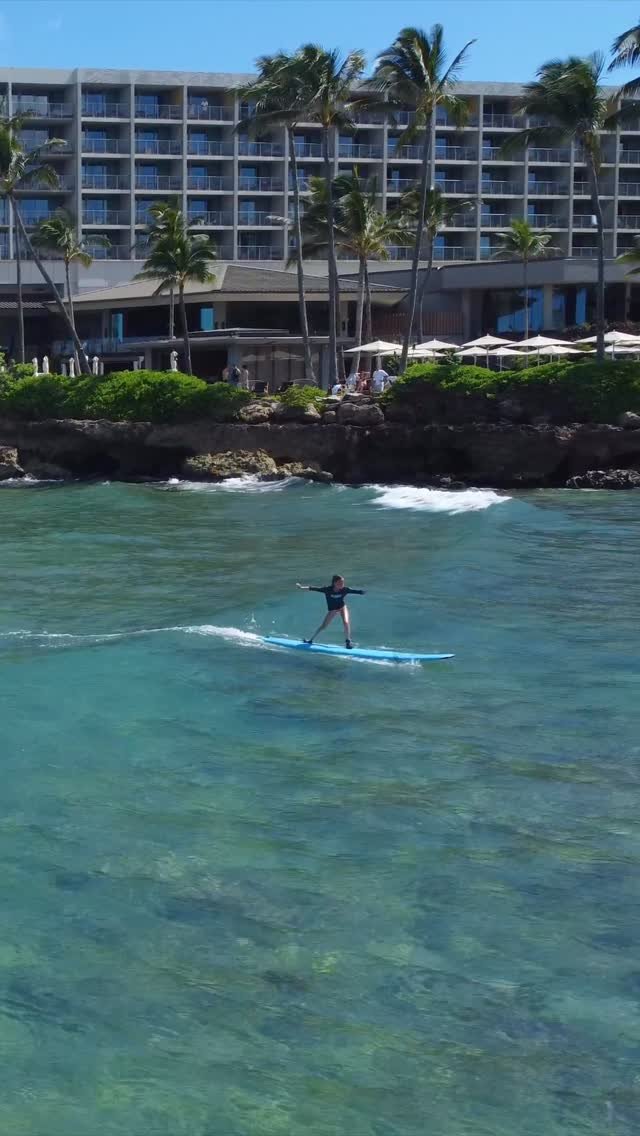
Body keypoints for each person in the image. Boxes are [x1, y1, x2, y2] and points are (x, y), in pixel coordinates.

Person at [296, 575, 365, 649]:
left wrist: (363, 592)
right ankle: (310, 640)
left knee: (346, 622)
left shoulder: (345, 589)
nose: (342, 584)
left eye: (343, 582)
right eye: (340, 582)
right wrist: (301, 587)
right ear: (334, 583)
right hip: (333, 609)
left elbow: (356, 591)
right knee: (324, 626)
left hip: (342, 607)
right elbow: (313, 588)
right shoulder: (327, 589)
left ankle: (348, 642)